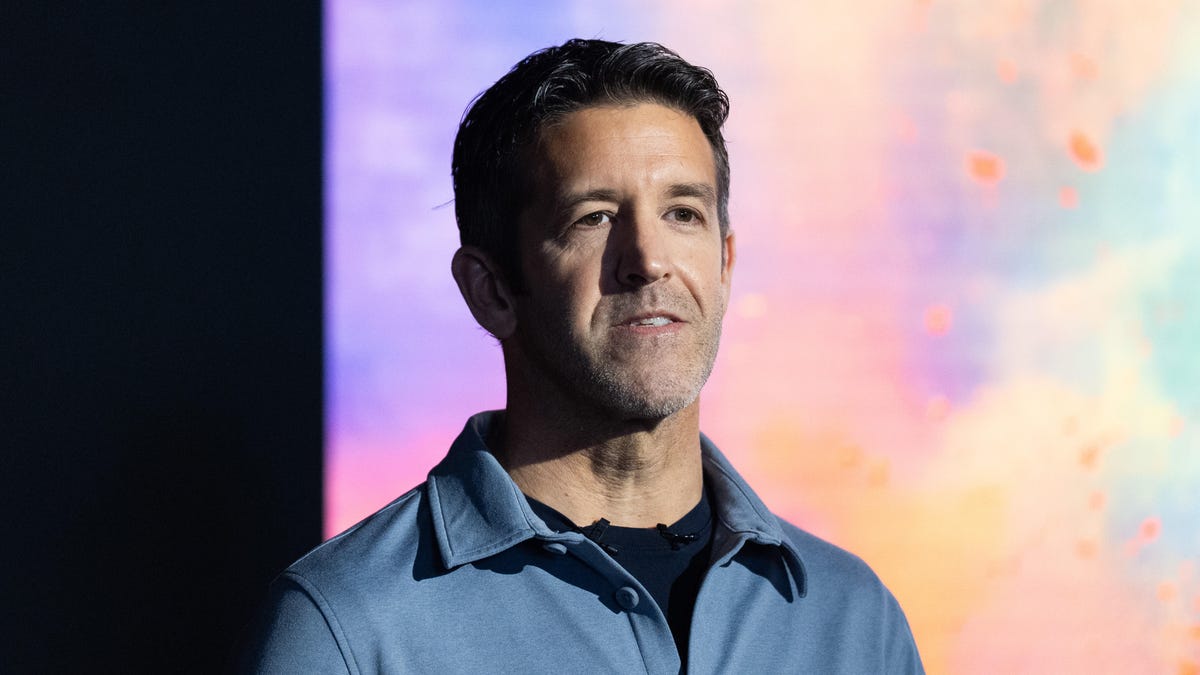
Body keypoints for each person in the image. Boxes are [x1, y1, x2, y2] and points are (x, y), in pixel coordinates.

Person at [241, 39, 924, 673]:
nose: (649, 260)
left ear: (724, 263)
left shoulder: (853, 620)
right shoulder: (348, 627)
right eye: (594, 217)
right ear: (491, 290)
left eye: (683, 213)